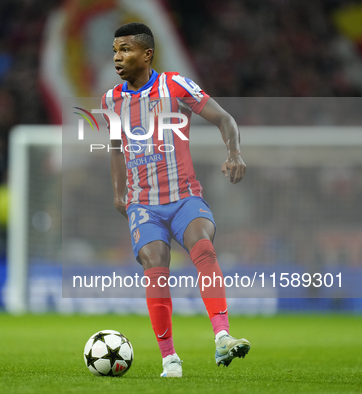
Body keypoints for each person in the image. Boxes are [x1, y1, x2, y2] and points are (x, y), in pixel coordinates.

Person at [103, 23, 250, 377]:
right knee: (155, 261)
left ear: (147, 53)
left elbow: (224, 118)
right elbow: (115, 148)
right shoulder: (112, 100)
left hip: (185, 197)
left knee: (203, 246)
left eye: (125, 50)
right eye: (114, 51)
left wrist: (234, 153)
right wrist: (119, 192)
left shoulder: (175, 85)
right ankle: (170, 358)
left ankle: (222, 337)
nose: (117, 58)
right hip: (144, 205)